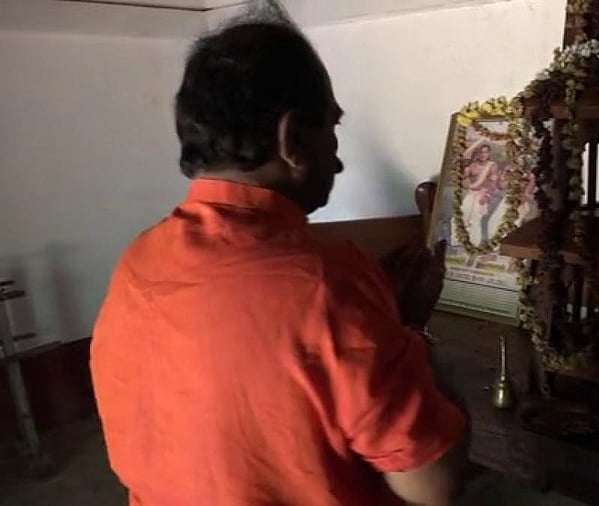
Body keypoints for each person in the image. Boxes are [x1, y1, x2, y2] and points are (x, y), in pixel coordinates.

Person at [90, 22, 468, 506]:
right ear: (292, 139)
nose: (338, 161)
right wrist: (412, 331)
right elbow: (435, 485)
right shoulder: (328, 281)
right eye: (331, 127)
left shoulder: (137, 262)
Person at [452, 140, 499, 247]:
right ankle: (456, 244)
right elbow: (463, 177)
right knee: (460, 217)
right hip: (471, 194)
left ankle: (474, 246)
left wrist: (487, 196)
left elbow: (493, 183)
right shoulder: (472, 165)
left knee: (475, 221)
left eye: (486, 152)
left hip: (482, 196)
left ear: (489, 153)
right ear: (477, 153)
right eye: (481, 152)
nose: (483, 155)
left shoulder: (492, 166)